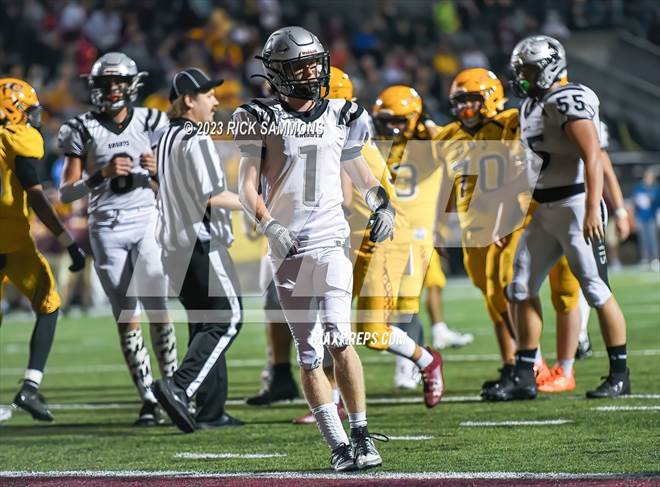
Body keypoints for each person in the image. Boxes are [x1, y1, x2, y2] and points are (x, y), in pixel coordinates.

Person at [236, 27, 391, 471]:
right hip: (287, 247)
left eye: (314, 61)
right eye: (301, 65)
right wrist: (267, 225)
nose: (312, 71)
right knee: (308, 352)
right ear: (279, 74)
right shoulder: (256, 117)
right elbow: (246, 186)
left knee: (340, 338)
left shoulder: (344, 112)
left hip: (329, 239)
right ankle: (338, 445)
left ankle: (361, 434)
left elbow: (359, 170)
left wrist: (381, 203)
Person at [485, 35, 630, 400]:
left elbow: (593, 154)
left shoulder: (567, 98)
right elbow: (528, 169)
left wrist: (599, 205)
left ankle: (619, 373)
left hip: (575, 204)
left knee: (596, 290)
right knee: (519, 286)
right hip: (545, 208)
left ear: (550, 65)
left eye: (529, 70)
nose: (523, 77)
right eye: (521, 70)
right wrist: (505, 216)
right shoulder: (531, 105)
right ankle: (523, 373)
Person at [58, 52, 177, 425]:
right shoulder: (80, 127)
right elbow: (66, 193)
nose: (112, 90)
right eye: (105, 84)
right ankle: (148, 398)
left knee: (158, 305)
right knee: (127, 317)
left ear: (131, 85)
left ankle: (173, 388)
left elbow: (175, 183)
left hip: (147, 221)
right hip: (107, 227)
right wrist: (99, 176)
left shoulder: (153, 121)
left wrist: (160, 171)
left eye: (118, 83)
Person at [151, 68, 244, 432]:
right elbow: (212, 195)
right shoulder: (197, 138)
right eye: (208, 94)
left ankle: (211, 409)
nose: (216, 101)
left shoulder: (163, 136)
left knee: (204, 323)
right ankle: (179, 386)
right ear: (189, 100)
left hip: (173, 246)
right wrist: (260, 205)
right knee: (228, 318)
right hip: (200, 241)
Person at [0, 78, 86, 421]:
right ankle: (30, 387)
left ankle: (30, 389)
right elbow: (35, 195)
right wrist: (67, 241)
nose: (34, 117)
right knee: (49, 303)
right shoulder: (18, 138)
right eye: (29, 109)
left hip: (13, 240)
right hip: (12, 240)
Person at [633, 168, 659, 270]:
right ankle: (645, 258)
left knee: (653, 239)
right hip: (641, 218)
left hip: (652, 218)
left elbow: (656, 202)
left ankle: (655, 259)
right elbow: (636, 202)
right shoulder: (639, 188)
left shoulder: (656, 189)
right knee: (643, 240)